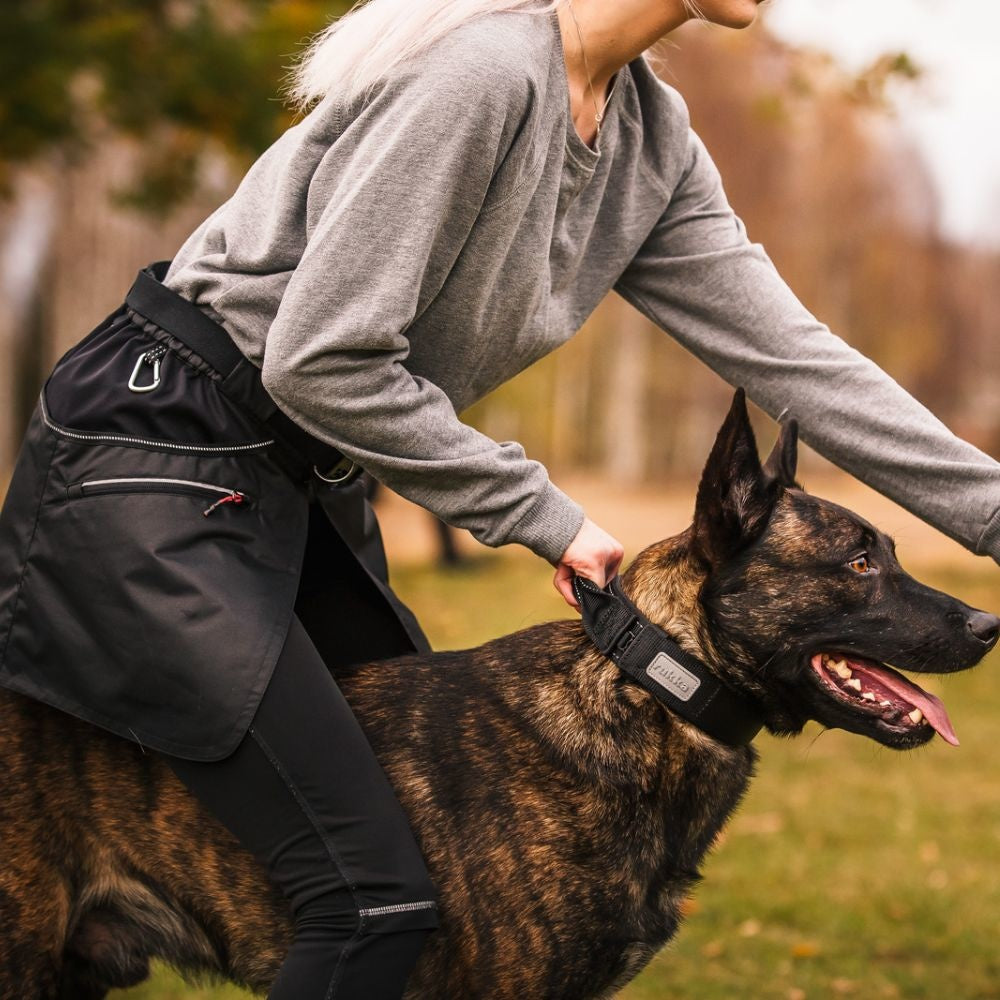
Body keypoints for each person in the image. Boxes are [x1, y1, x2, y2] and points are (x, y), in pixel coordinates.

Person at [1, 0, 997, 997]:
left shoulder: (651, 145)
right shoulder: (478, 80)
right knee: (373, 898)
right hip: (158, 456)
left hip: (297, 485)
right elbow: (318, 361)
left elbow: (801, 363)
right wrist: (544, 513)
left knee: (432, 888)